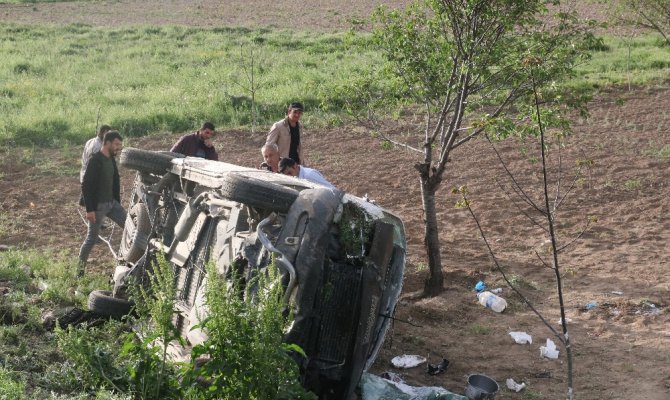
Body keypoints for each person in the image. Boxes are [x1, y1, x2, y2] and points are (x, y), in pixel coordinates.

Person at [78, 130, 127, 277]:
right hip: (98, 207)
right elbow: (86, 186)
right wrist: (90, 209)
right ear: (107, 143)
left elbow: (114, 180)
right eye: (116, 144)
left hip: (112, 204)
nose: (118, 147)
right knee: (91, 239)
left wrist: (116, 201)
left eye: (119, 145)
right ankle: (79, 272)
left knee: (130, 227)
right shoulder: (95, 160)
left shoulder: (111, 159)